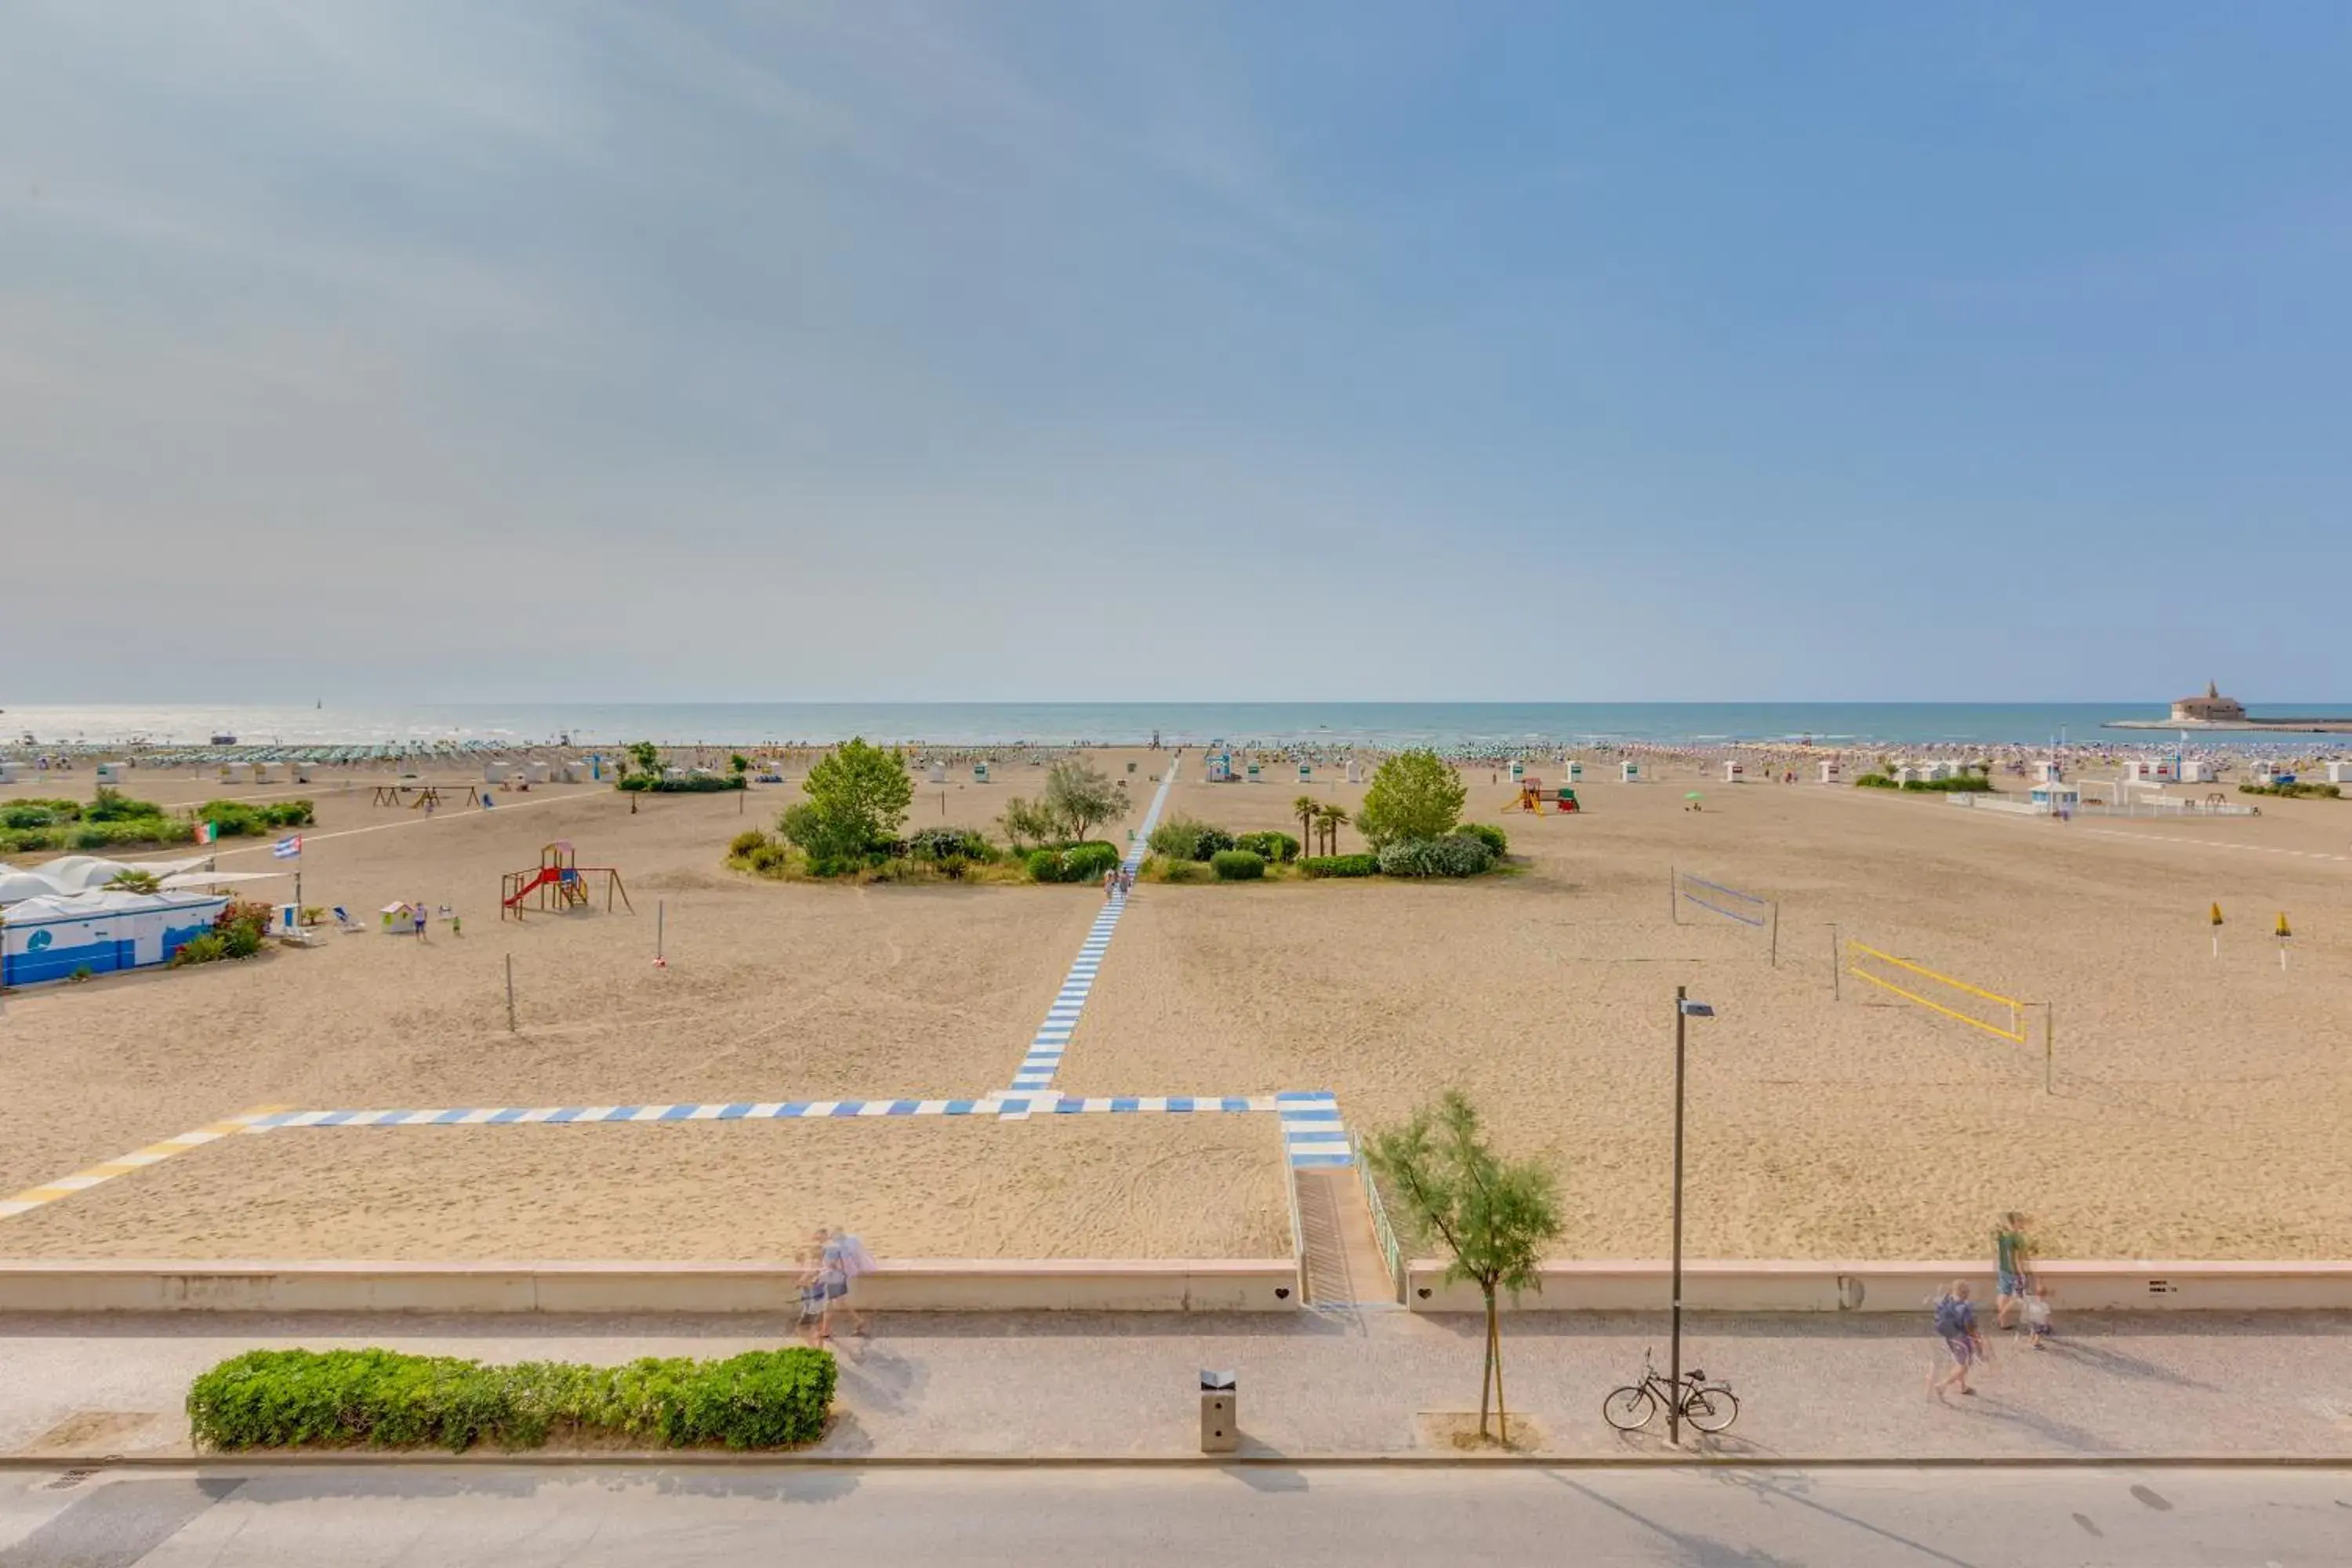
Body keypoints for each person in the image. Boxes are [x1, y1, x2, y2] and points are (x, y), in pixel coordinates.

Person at [1927, 1279, 1987, 1397]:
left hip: (1948, 1336)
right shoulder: (1964, 1308)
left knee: (1959, 1360)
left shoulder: (1945, 1300)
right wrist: (1977, 1340)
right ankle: (1942, 1386)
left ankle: (1962, 1386)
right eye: (1968, 1292)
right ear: (1964, 1293)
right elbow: (1970, 1326)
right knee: (1963, 1366)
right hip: (1960, 1339)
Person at [1994, 1212, 2034, 1330]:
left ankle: (2003, 1322)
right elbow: (2017, 1258)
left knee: (2003, 1293)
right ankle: (2002, 1315)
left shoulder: (2002, 1236)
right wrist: (2022, 1274)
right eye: (2021, 1221)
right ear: (2015, 1223)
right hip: (2013, 1271)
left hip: (2003, 1269)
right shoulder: (2017, 1238)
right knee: (2018, 1296)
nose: (2022, 1224)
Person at [2022, 1282, 2056, 1348]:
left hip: (2032, 1319)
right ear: (2045, 1295)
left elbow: (2028, 1309)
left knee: (2033, 1330)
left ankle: (2031, 1339)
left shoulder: (2032, 1302)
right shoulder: (2045, 1305)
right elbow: (2047, 1315)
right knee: (2038, 1333)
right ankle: (2036, 1344)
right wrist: (2050, 1322)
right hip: (2040, 1322)